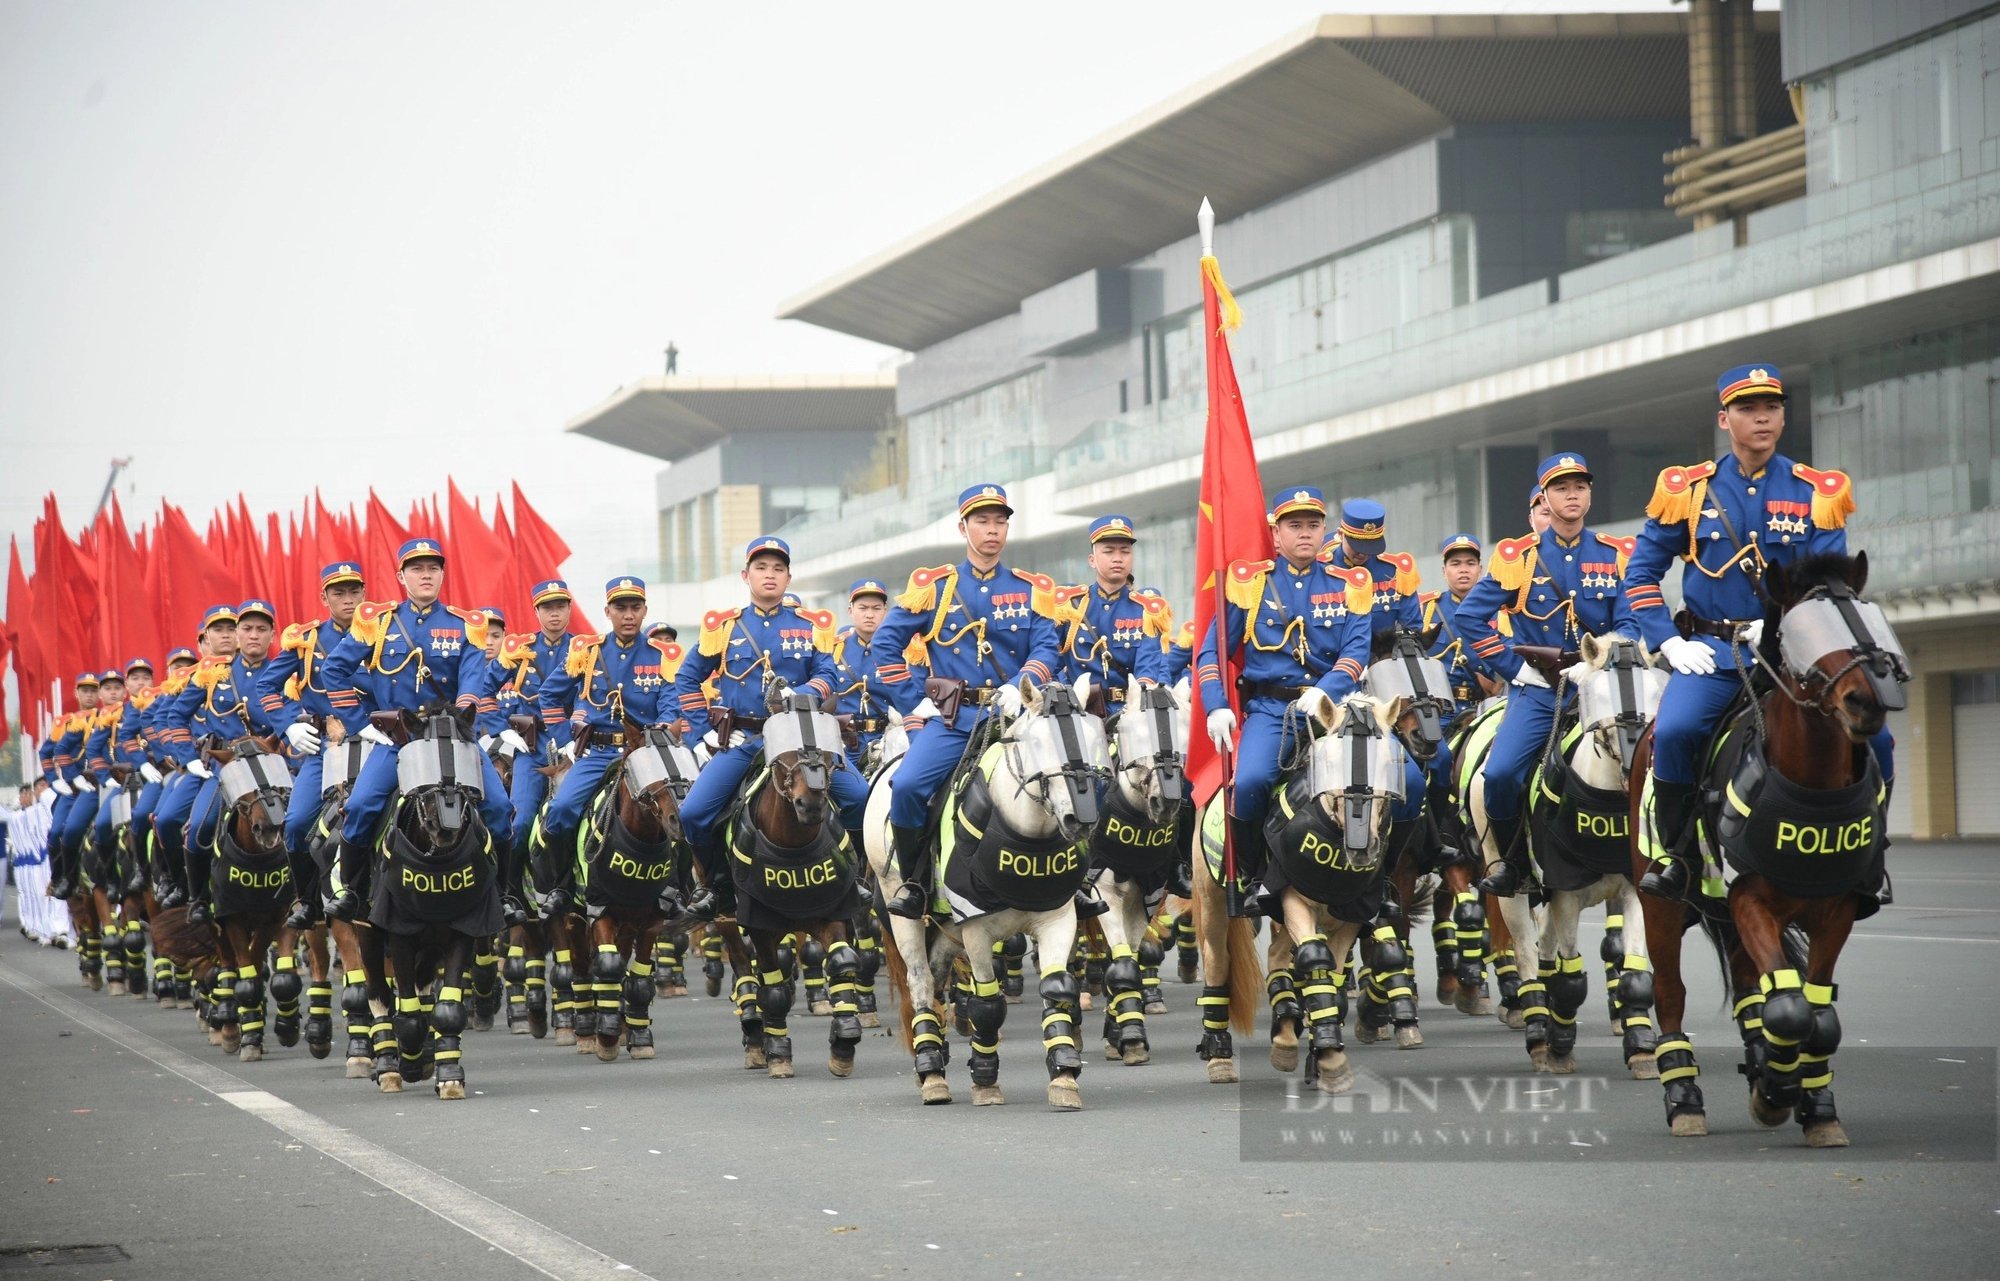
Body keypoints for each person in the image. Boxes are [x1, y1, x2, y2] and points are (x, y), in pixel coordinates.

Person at [1626, 364, 1894, 899]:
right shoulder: (1689, 492)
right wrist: (1669, 641)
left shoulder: (1815, 492)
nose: (1762, 418)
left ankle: (1871, 854)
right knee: (1675, 733)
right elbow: (1639, 574)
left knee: (1878, 737)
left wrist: (1784, 624)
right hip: (1711, 652)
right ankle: (1676, 854)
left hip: (1794, 654)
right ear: (1725, 419)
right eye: (1748, 409)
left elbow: (1829, 585)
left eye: (1771, 408)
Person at [870, 485, 1068, 919]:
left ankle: (1079, 881)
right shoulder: (935, 588)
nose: (992, 530)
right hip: (955, 720)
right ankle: (915, 882)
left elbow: (1046, 650)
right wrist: (914, 702)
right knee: (906, 787)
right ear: (963, 527)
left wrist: (1022, 684)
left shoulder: (1031, 588)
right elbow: (885, 646)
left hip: (1014, 718)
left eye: (1000, 521)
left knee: (1075, 776)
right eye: (982, 521)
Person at [1457, 454, 1639, 896]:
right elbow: (1469, 618)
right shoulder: (1517, 557)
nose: (1572, 494)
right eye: (1561, 488)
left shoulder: (1615, 554)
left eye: (1580, 486)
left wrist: (1605, 661)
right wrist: (1516, 669)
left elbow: (1631, 622)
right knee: (1499, 775)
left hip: (1603, 686)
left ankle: (1663, 854)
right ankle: (1512, 864)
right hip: (1541, 691)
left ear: (1590, 494)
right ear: (1544, 498)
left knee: (1656, 760)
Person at [1196, 486, 1375, 918]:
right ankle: (1255, 875)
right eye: (1294, 526)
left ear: (1325, 531)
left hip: (1334, 712)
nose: (1305, 534)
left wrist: (1326, 691)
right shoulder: (1249, 584)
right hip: (1272, 711)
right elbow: (1210, 654)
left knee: (1402, 780)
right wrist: (1216, 704)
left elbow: (1356, 653)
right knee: (1253, 782)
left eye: (1313, 525)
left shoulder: (1349, 583)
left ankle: (1379, 882)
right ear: (1276, 534)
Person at [672, 542, 867, 919]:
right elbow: (686, 677)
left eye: (778, 568)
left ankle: (855, 875)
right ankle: (715, 886)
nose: (770, 574)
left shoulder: (810, 626)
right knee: (694, 813)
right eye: (761, 567)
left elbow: (829, 674)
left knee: (859, 795)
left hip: (801, 736)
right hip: (746, 739)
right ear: (746, 576)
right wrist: (702, 733)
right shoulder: (724, 628)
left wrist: (805, 693)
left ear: (788, 577)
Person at [318, 539, 510, 921]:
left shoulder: (466, 625)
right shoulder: (378, 621)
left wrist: (464, 714)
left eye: (433, 568)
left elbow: (472, 683)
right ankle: (354, 893)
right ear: (401, 576)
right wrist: (361, 725)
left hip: (452, 737)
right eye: (417, 569)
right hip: (401, 740)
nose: (426, 575)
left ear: (442, 574)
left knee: (501, 807)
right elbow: (333, 670)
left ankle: (504, 894)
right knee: (359, 807)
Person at [531, 576, 686, 918]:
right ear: (607, 611)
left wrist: (662, 725)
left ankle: (677, 888)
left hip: (647, 754)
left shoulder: (662, 655)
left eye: (634, 607)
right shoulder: (588, 652)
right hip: (599, 753)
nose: (628, 615)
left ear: (645, 610)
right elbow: (549, 695)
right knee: (560, 811)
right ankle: (561, 887)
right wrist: (567, 739)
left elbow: (672, 705)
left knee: (684, 810)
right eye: (620, 608)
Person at [158, 600, 284, 923]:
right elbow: (175, 715)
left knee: (303, 828)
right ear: (239, 636)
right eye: (246, 629)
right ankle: (198, 897)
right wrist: (190, 759)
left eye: (261, 629)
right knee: (198, 828)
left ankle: (303, 896)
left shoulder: (284, 670)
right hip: (227, 767)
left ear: (272, 635)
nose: (253, 636)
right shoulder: (213, 674)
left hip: (273, 766)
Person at [259, 561, 368, 928]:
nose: (348, 599)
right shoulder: (308, 640)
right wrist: (289, 725)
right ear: (324, 598)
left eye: (354, 591)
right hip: (328, 745)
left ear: (365, 594)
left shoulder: (383, 632)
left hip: (379, 739)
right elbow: (266, 687)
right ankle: (307, 901)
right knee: (296, 822)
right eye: (339, 592)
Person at [829, 577, 926, 770]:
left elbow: (916, 697)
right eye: (863, 608)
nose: (869, 615)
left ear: (886, 611)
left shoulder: (909, 650)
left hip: (887, 740)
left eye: (876, 608)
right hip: (843, 741)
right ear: (850, 611)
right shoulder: (834, 649)